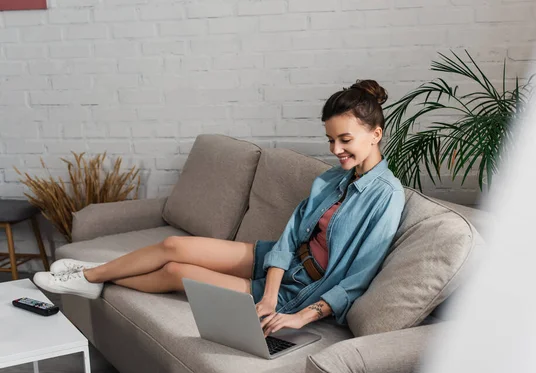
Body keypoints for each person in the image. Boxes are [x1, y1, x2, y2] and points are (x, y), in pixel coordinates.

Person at [33, 79, 405, 337]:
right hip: (277, 266)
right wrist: (270, 290)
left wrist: (297, 313)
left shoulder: (387, 196)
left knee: (177, 271)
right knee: (175, 245)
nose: (335, 150)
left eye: (345, 140)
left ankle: (90, 278)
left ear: (375, 134)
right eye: (330, 140)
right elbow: (290, 237)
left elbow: (358, 277)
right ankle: (91, 276)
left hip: (302, 289)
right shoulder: (330, 179)